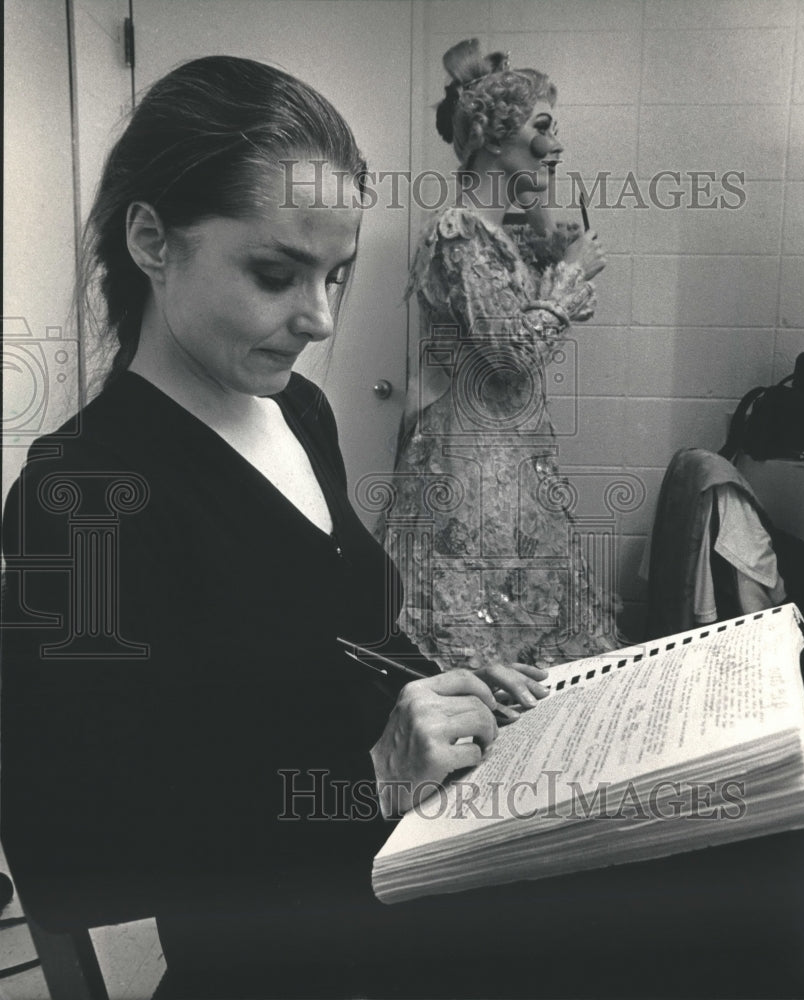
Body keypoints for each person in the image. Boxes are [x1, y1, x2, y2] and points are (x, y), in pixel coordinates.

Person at [0, 55, 550, 998]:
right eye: (274, 274)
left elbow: (337, 635)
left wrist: (438, 683)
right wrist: (366, 779)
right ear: (151, 239)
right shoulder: (82, 496)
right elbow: (67, 856)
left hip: (406, 883)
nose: (320, 318)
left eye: (334, 275)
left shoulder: (297, 410)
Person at [379, 38, 621, 672]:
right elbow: (511, 356)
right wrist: (568, 276)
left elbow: (529, 315)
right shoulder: (458, 233)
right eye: (543, 126)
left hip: (508, 455)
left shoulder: (495, 235)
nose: (556, 144)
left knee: (522, 618)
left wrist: (543, 229)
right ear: (493, 137)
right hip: (468, 462)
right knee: (474, 623)